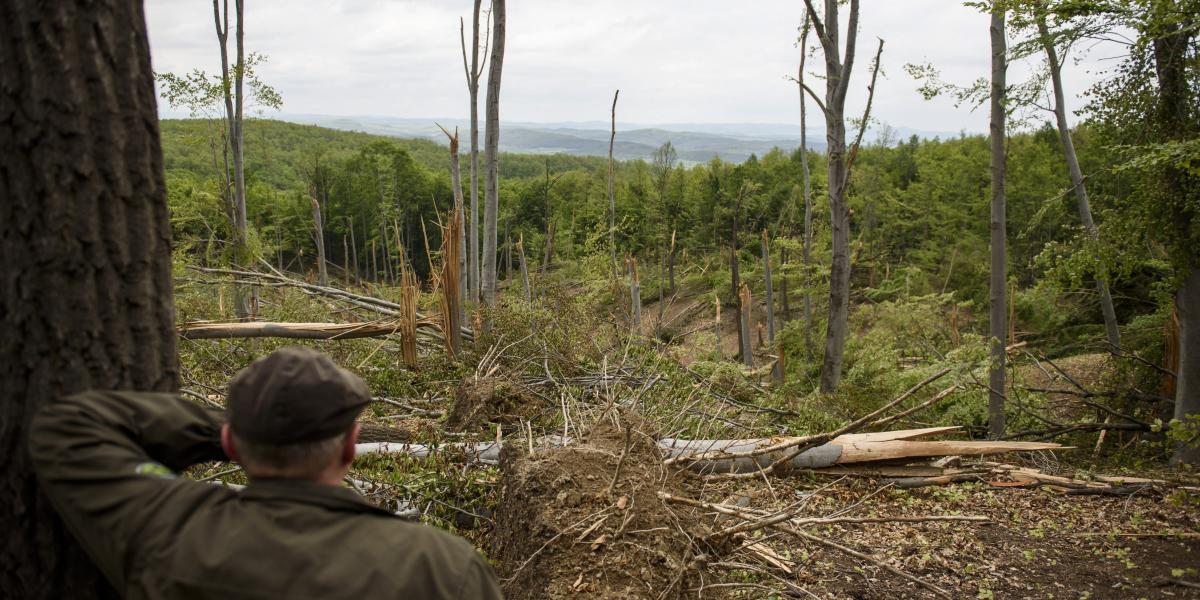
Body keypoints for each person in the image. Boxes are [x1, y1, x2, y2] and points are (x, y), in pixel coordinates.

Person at [29, 346, 503, 599]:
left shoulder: (173, 532)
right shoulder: (440, 567)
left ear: (233, 445)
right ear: (351, 445)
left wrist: (235, 431)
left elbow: (67, 426)